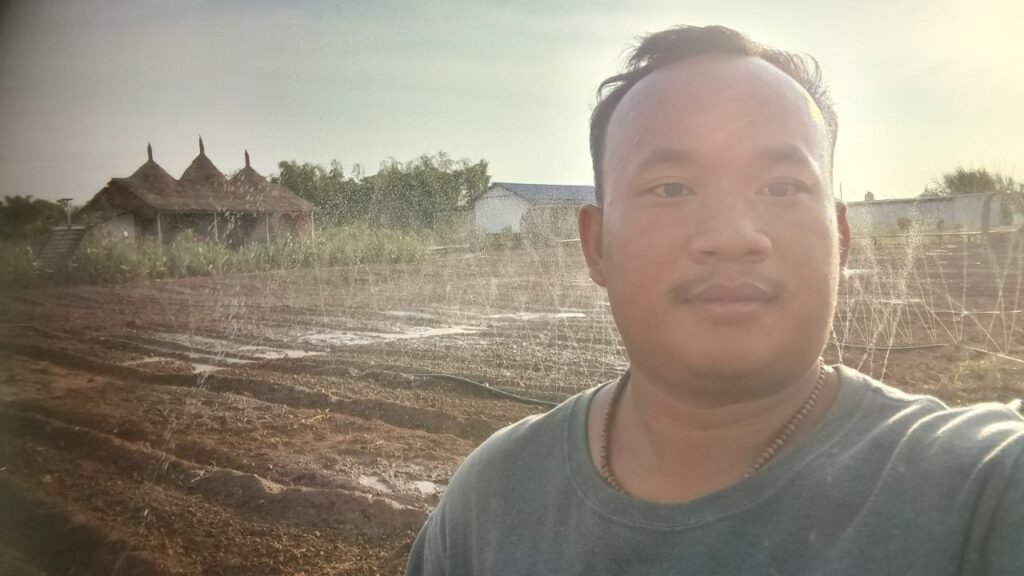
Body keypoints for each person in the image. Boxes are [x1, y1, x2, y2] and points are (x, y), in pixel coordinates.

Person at [405, 24, 1024, 575]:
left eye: (782, 187)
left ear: (839, 237)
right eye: (671, 188)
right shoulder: (493, 499)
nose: (733, 236)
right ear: (597, 244)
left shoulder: (979, 490)